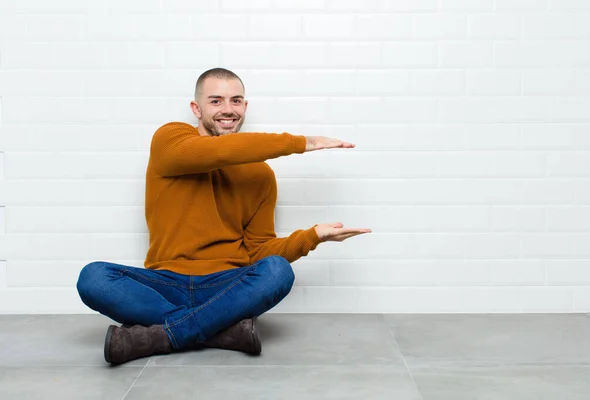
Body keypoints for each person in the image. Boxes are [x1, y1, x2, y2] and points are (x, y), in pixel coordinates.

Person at [76, 68, 371, 365]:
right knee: (94, 278)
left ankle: (163, 334)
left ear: (245, 106)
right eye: (216, 101)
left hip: (226, 286)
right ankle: (222, 332)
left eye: (236, 101)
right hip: (166, 284)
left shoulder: (260, 175)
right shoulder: (170, 140)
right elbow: (218, 152)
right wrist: (298, 143)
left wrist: (312, 237)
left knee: (277, 271)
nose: (228, 110)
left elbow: (258, 251)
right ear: (196, 108)